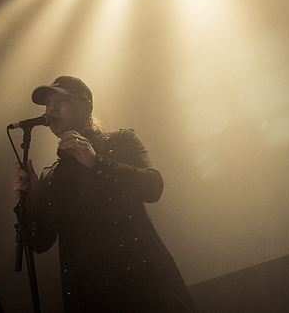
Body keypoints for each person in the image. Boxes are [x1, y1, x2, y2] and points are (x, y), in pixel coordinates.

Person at [12, 76, 197, 312]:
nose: (51, 109)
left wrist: (97, 162)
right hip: (92, 300)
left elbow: (154, 186)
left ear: (86, 106)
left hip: (146, 290)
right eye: (48, 104)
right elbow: (40, 243)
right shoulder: (53, 175)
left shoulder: (122, 142)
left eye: (61, 101)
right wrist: (30, 203)